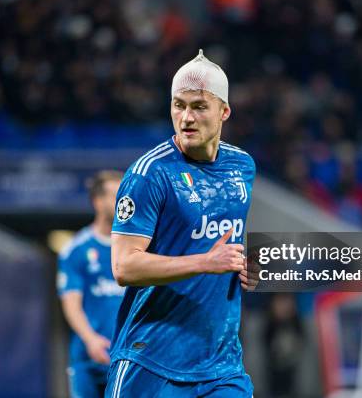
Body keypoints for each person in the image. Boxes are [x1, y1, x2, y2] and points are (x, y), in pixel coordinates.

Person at [107, 50, 257, 397]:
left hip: (221, 365)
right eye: (178, 105)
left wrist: (245, 265)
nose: (186, 117)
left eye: (199, 106)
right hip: (151, 361)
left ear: (224, 111)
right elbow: (123, 266)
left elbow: (221, 241)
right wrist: (206, 263)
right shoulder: (149, 174)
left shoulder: (243, 166)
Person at [57, 170, 125, 398]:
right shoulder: (76, 250)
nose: (123, 202)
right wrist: (90, 339)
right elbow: (71, 303)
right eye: (116, 196)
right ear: (97, 202)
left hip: (129, 358)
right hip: (89, 359)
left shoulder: (137, 248)